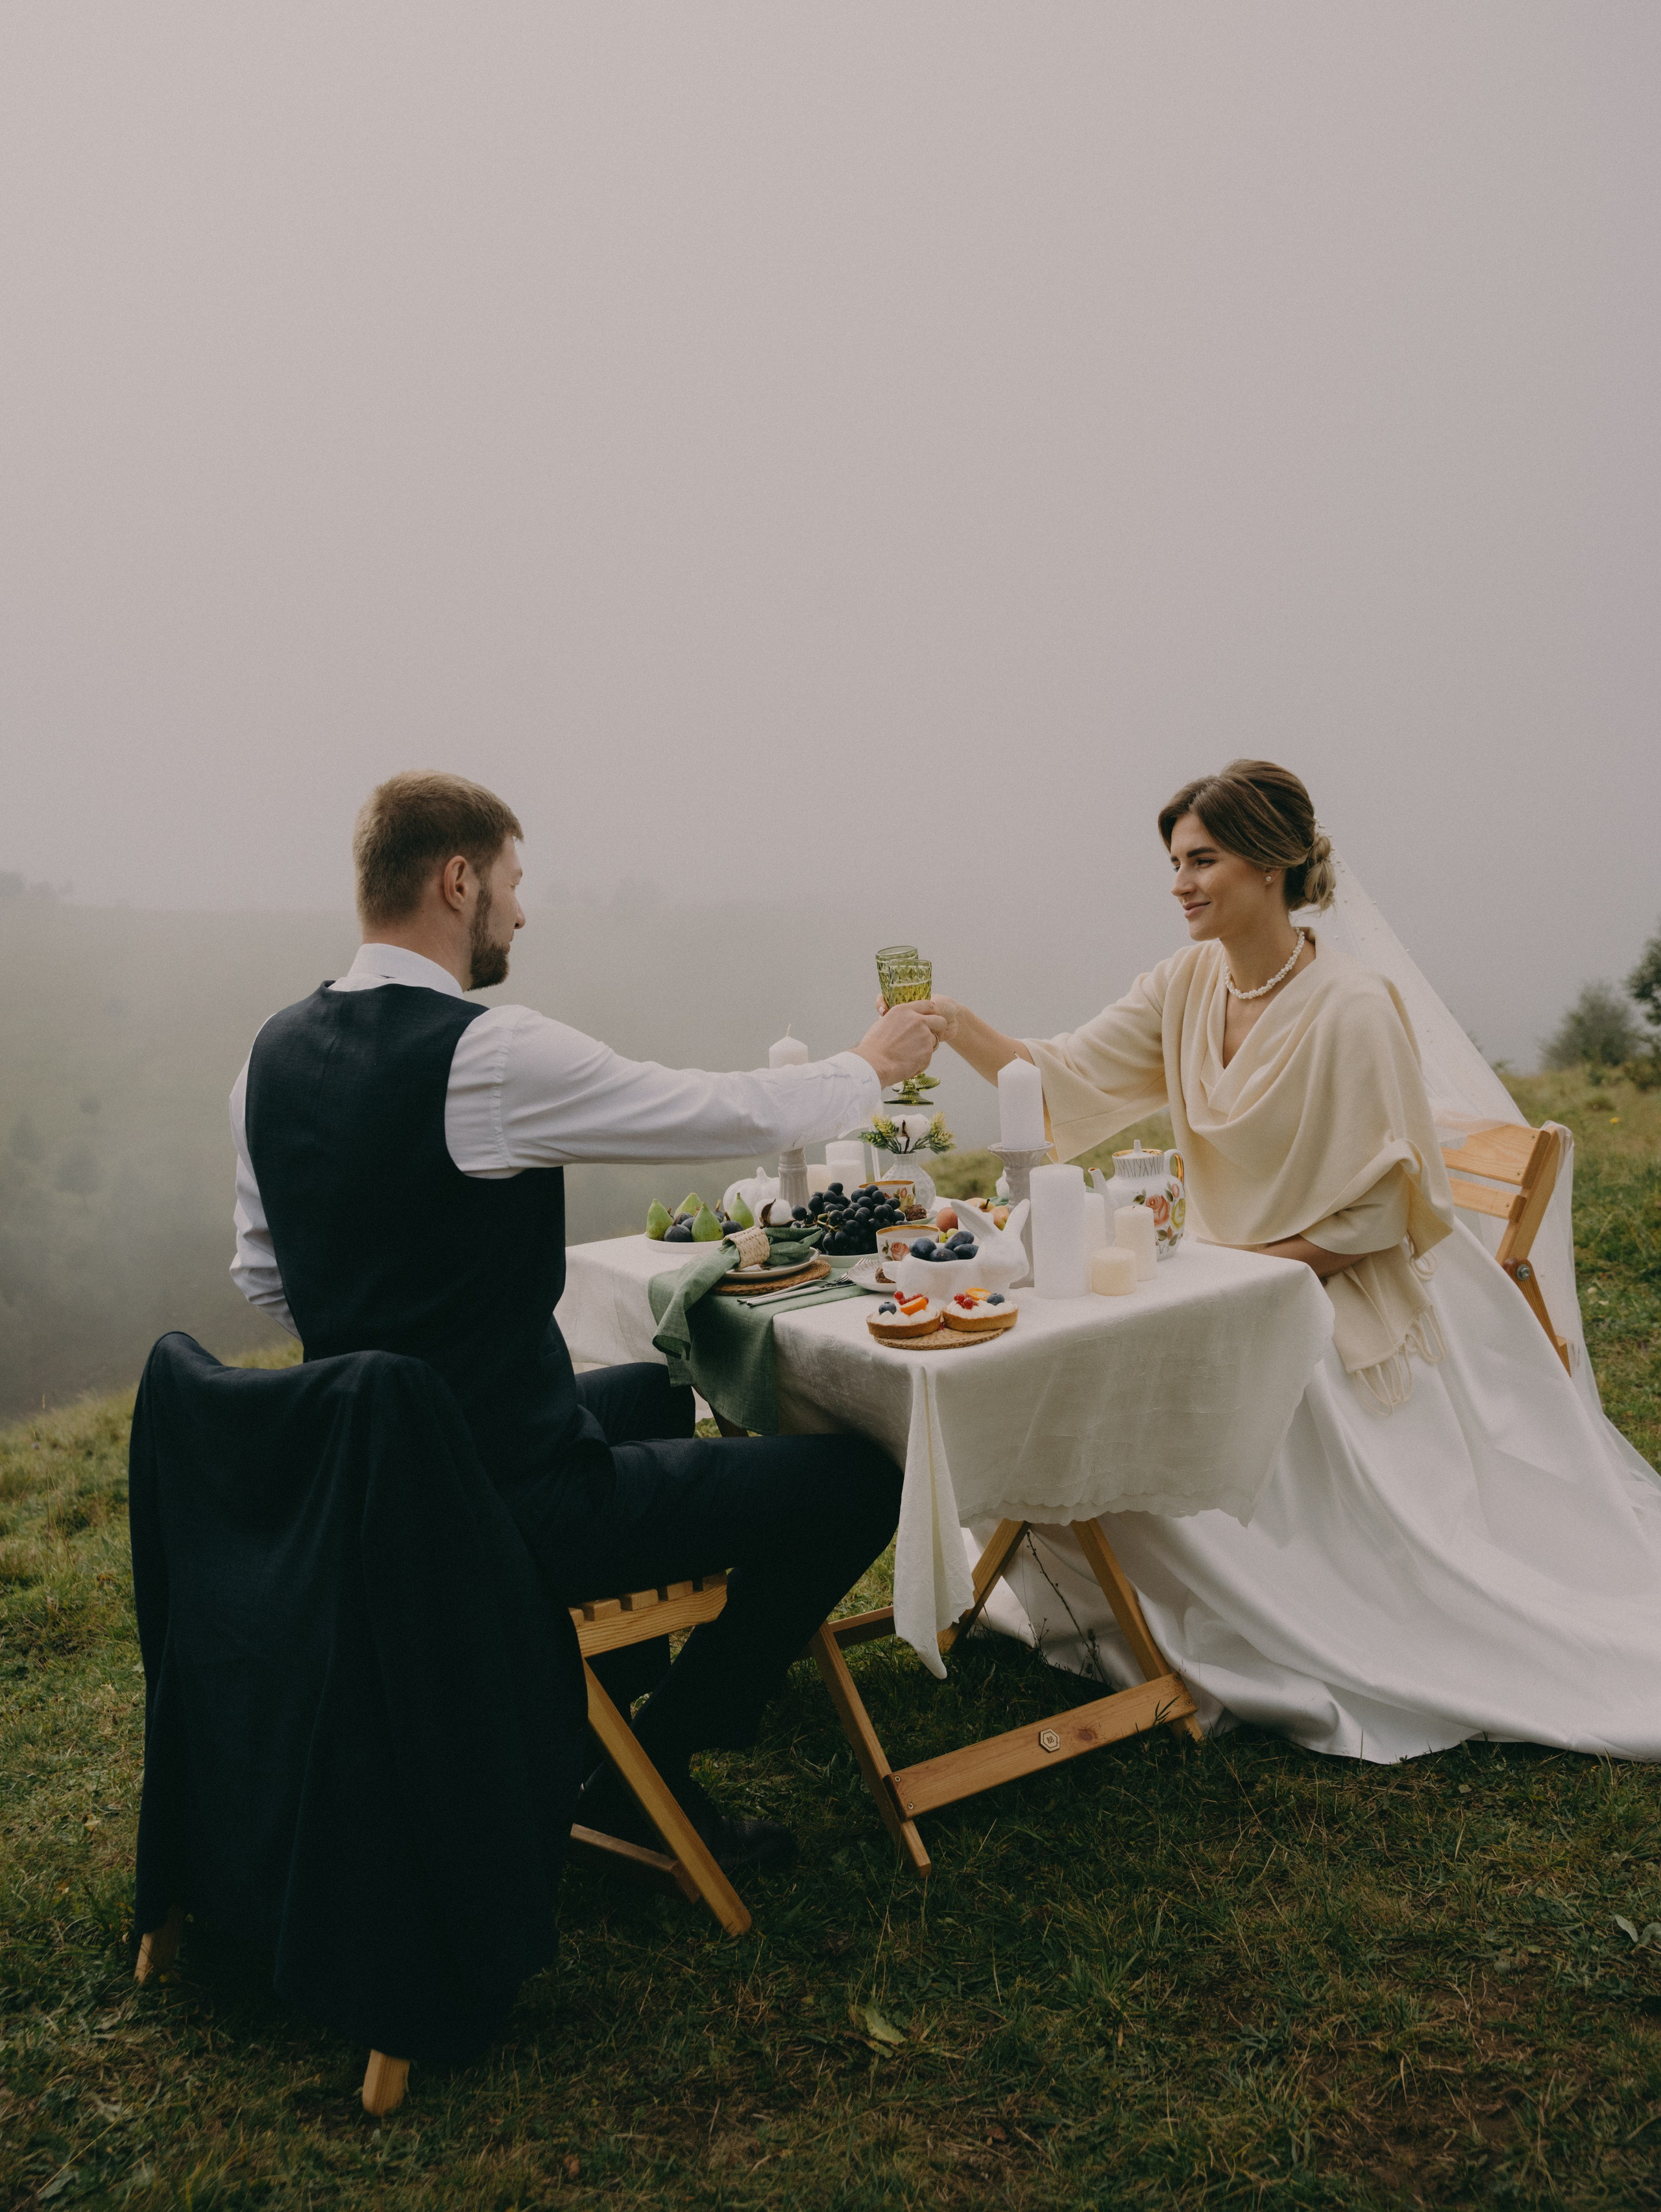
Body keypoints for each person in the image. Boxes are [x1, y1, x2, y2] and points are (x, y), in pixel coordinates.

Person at [230, 769, 945, 1866]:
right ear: (457, 878)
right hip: (509, 1506)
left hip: (375, 1489)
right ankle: (650, 1762)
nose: (521, 911)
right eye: (512, 884)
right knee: (861, 1479)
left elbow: (268, 1279)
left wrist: (416, 1345)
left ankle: (557, 1729)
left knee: (656, 1385)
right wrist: (867, 1068)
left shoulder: (266, 1058)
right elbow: (713, 1109)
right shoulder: (487, 1054)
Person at [915, 759, 1661, 1762]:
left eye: (1203, 860)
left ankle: (1223, 1610)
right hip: (1233, 1278)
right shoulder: (1184, 984)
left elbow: (1386, 1211)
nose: (1180, 882)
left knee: (1146, 1382)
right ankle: (1111, 1595)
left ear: (1272, 863)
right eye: (1174, 862)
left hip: (1336, 1293)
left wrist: (1255, 1275)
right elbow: (1062, 1077)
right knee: (1103, 1362)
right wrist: (956, 1024)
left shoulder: (1354, 1006)